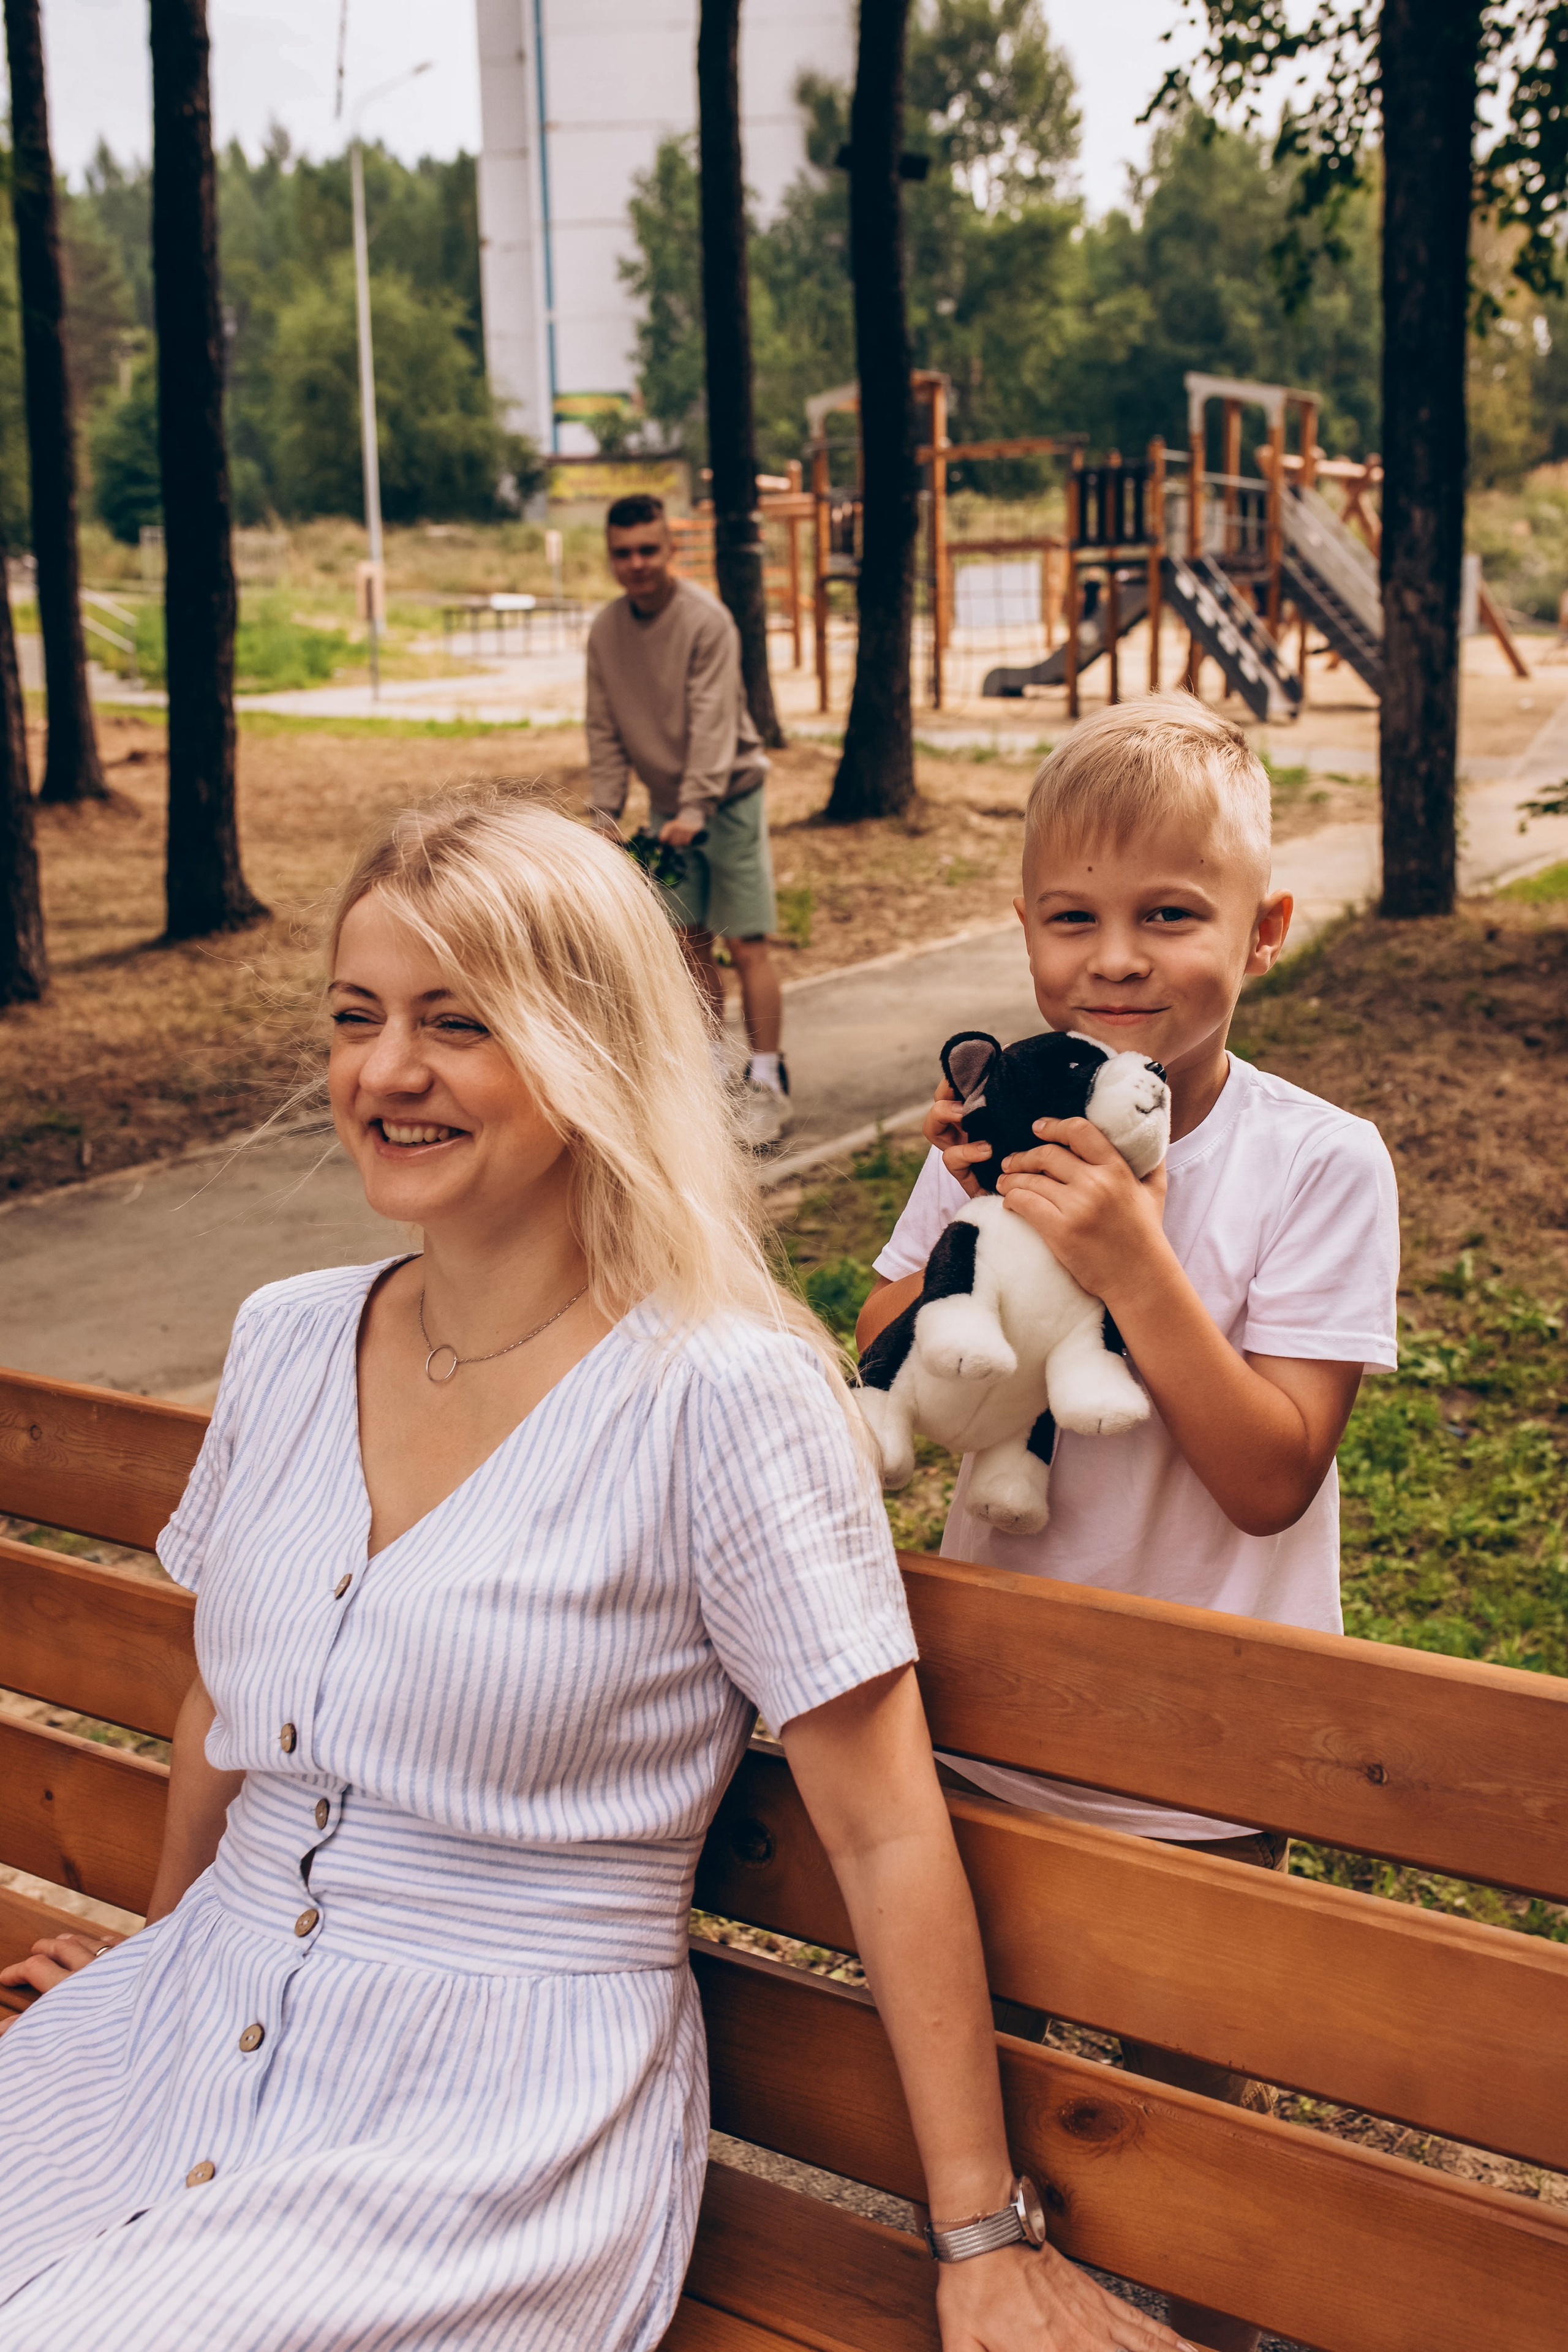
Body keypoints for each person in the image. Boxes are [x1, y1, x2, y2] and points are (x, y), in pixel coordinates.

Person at [0, 791, 1191, 2352]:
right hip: (184, 2023)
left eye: (457, 1023)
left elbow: (883, 1824)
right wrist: (162, 1958)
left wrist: (977, 2237)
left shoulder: (721, 1392)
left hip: (478, 2126)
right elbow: (221, 1699)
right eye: (356, 1017)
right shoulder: (287, 1336)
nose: (385, 1071)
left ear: (590, 1050)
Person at [857, 693, 1400, 2352]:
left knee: (1188, 2142)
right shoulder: (994, 1138)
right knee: (999, 2102)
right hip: (989, 1710)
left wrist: (1130, 1263)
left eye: (1171, 914)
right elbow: (878, 1365)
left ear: (1267, 928)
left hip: (1211, 1742)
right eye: (1074, 919)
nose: (1117, 961)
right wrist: (959, 1218)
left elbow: (1269, 1472)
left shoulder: (1321, 1165)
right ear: (1023, 931)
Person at [586, 491, 790, 1148]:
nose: (637, 563)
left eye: (649, 549)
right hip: (670, 806)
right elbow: (605, 727)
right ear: (611, 557)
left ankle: (768, 1080)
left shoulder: (707, 621)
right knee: (684, 945)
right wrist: (604, 813)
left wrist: (698, 806)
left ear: (670, 549)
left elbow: (711, 721)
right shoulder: (606, 631)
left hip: (727, 797)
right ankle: (709, 1079)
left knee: (746, 942)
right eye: (624, 553)